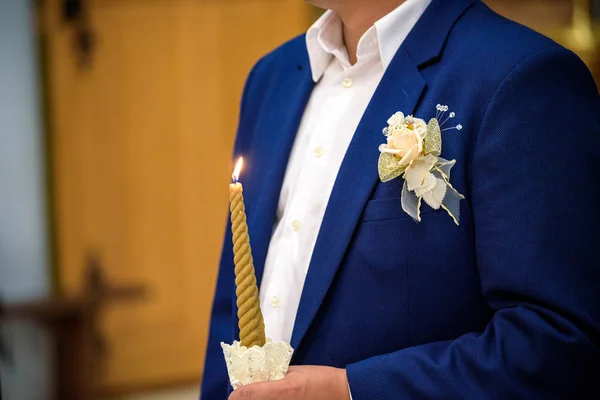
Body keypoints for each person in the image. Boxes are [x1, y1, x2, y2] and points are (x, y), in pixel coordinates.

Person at [201, 0, 600, 399]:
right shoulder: (272, 78)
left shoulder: (518, 75)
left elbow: (556, 343)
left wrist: (350, 391)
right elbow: (234, 300)